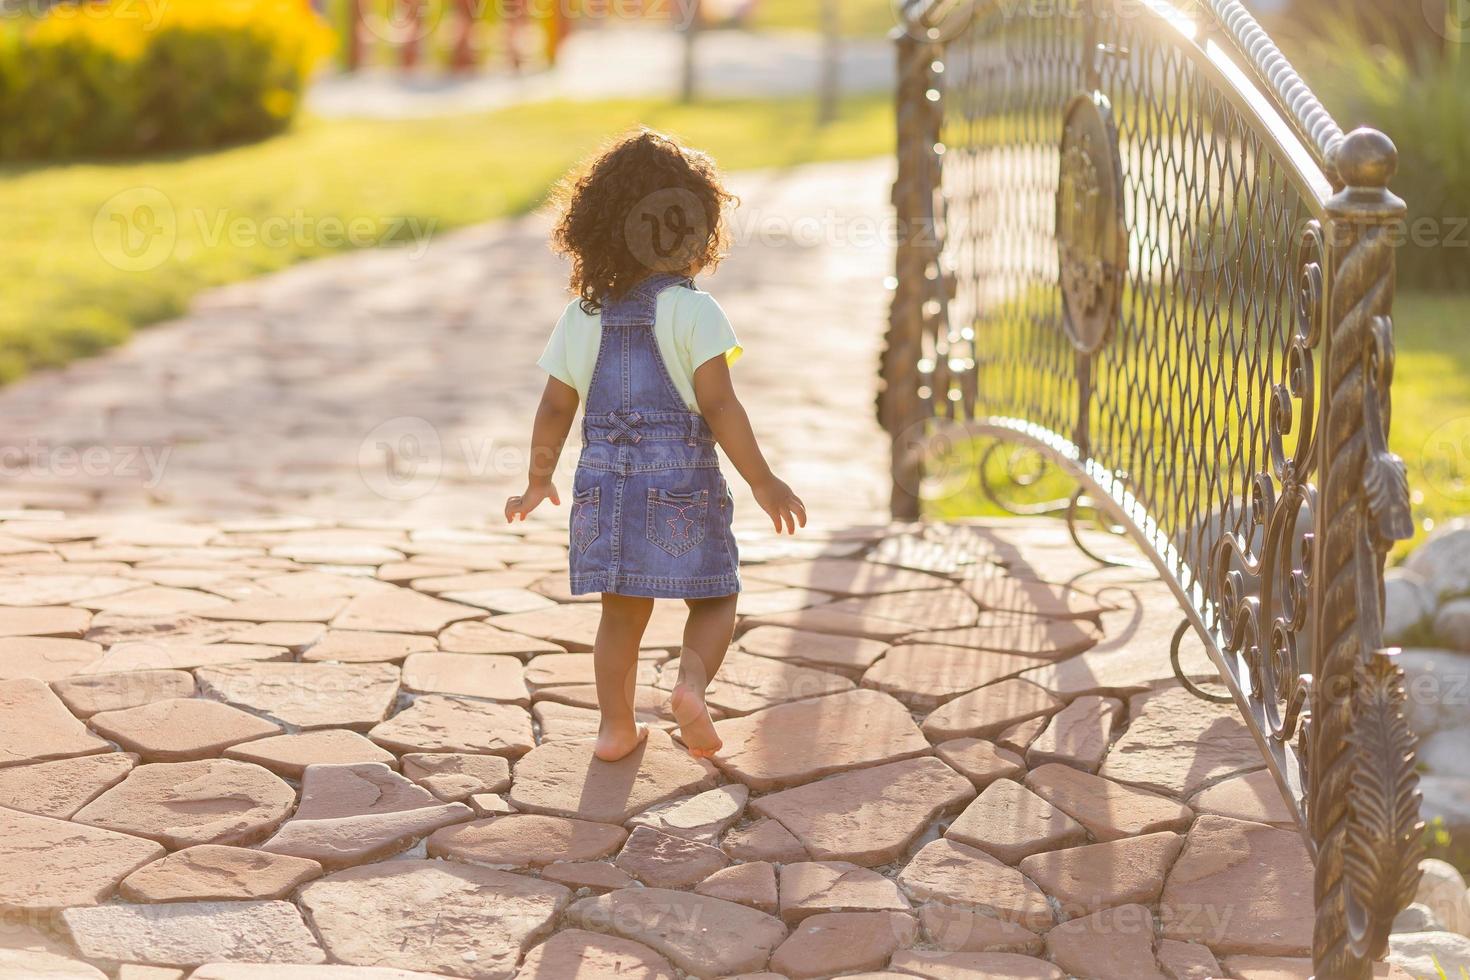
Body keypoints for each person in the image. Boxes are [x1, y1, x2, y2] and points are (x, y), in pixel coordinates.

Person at [505, 130, 805, 762]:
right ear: (695, 233)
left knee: (621, 612)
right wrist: (762, 480)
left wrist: (538, 479)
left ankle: (615, 728)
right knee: (715, 593)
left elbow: (556, 407)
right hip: (679, 484)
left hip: (602, 487)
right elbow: (720, 406)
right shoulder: (696, 315)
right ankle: (691, 687)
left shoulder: (581, 317)